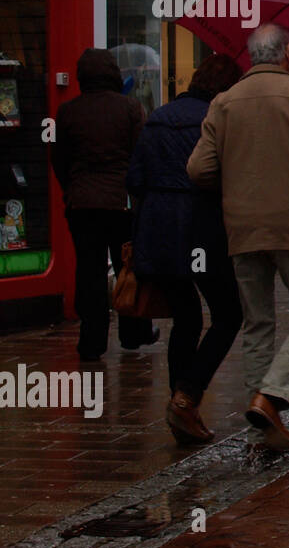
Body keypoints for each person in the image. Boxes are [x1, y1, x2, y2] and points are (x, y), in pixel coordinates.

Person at [187, 24, 289, 452]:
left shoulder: (223, 102)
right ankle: (271, 395)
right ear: (288, 51)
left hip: (243, 226)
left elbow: (198, 170)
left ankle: (261, 415)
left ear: (250, 56)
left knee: (258, 322)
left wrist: (237, 188)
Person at [128, 54, 244, 444]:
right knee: (228, 314)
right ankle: (187, 395)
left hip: (157, 228)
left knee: (187, 318)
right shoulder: (217, 119)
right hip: (200, 226)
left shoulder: (158, 116)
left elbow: (135, 179)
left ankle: (182, 408)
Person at [52, 48, 157, 361]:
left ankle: (91, 341)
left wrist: (71, 189)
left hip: (82, 203)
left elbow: (58, 158)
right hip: (120, 203)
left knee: (89, 270)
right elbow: (142, 156)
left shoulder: (68, 111)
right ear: (113, 73)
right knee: (128, 266)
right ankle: (133, 332)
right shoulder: (130, 108)